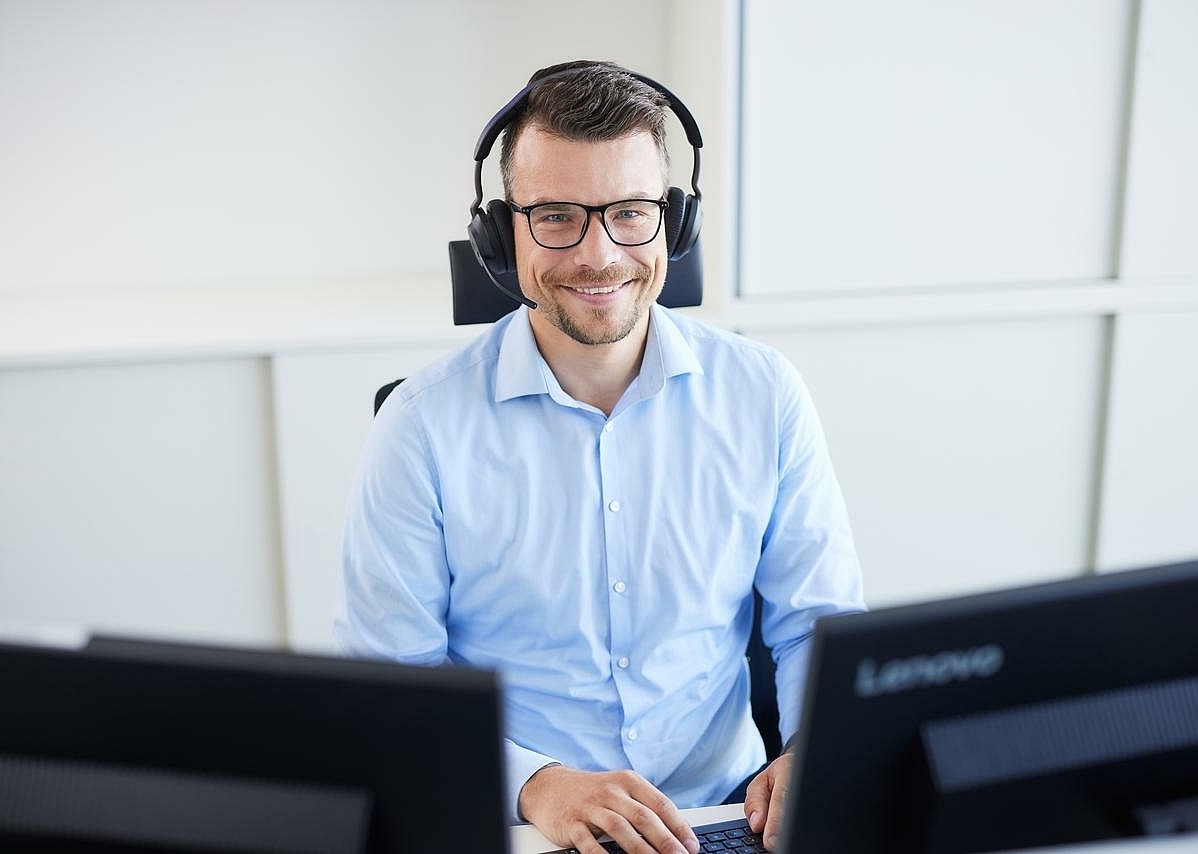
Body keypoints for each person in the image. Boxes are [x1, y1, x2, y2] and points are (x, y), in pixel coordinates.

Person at [336, 60, 864, 854]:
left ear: (673, 222)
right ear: (500, 231)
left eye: (628, 212)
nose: (598, 254)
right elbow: (390, 688)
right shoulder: (420, 428)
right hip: (525, 827)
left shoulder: (765, 394)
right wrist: (536, 783)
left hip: (724, 818)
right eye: (555, 215)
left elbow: (813, 622)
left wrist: (813, 749)